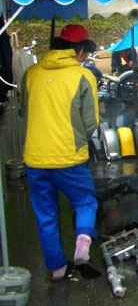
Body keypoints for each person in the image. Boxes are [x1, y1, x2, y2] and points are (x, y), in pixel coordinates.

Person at [20, 24, 101, 281]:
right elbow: (91, 123)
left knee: (45, 214)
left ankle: (57, 268)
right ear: (80, 51)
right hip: (69, 157)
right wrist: (78, 140)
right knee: (85, 202)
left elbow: (25, 112)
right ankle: (82, 247)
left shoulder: (31, 74)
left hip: (35, 158)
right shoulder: (83, 76)